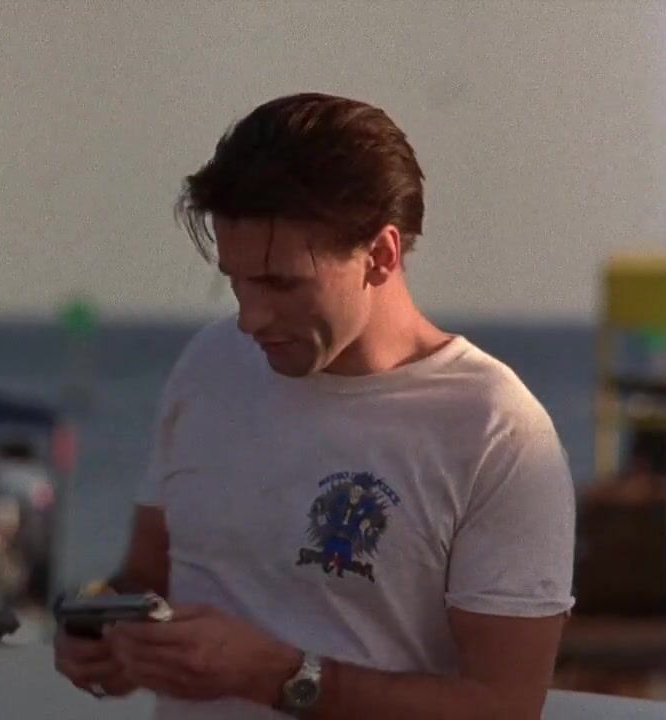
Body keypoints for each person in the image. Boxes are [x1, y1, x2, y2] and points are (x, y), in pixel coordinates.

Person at [53, 92, 575, 718]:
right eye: (237, 281)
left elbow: (505, 708)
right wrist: (105, 635)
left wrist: (279, 677)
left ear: (380, 255)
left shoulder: (494, 429)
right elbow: (146, 577)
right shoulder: (210, 365)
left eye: (281, 284)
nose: (250, 318)